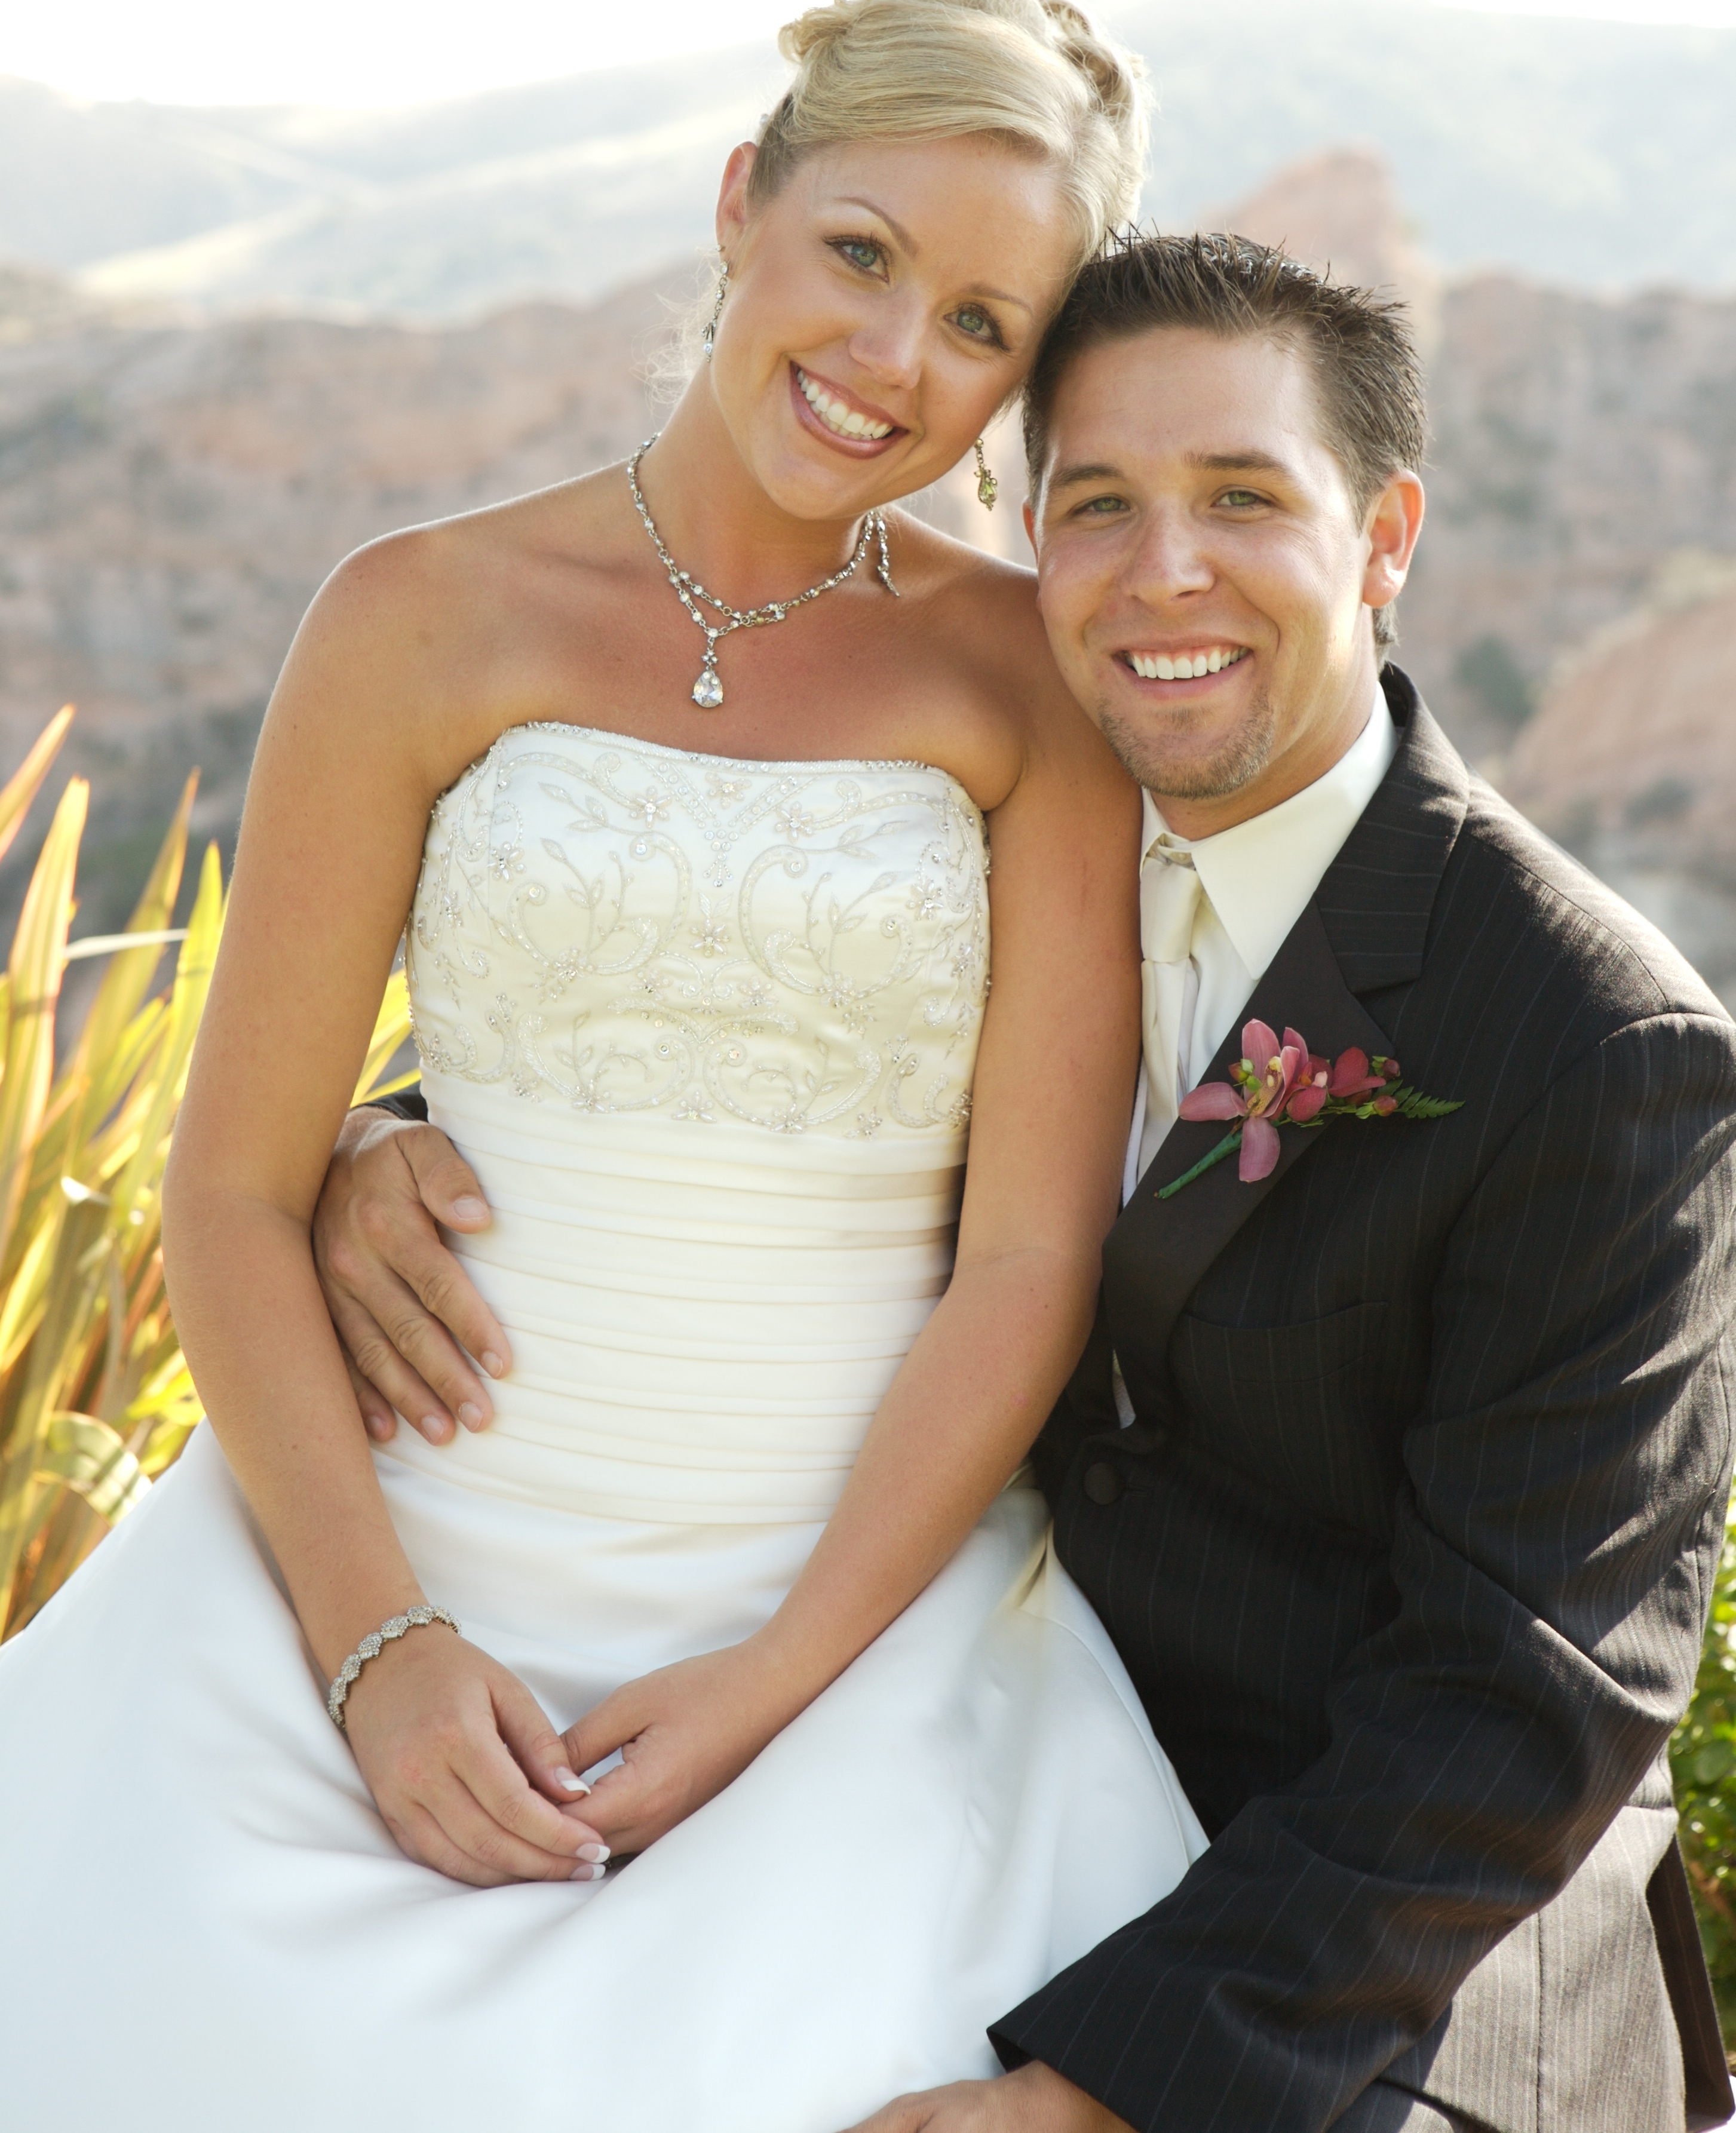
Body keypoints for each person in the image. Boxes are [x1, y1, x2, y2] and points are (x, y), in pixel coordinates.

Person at [0, 0, 1210, 2131]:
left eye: (979, 326)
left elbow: (1027, 1256)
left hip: (840, 1618)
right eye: (859, 253)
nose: (890, 360)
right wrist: (375, 1653)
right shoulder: (412, 614)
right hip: (370, 1578)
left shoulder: (1029, 687)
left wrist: (769, 1682)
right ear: (742, 200)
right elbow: (235, 1188)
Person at [337, 235, 1736, 2133]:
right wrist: (380, 1145)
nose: (1163, 571)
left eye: (1241, 497)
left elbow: (1517, 1691)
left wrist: (1103, 2090)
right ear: (1021, 531)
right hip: (945, 1780)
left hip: (1378, 1952)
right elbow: (734, 1063)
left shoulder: (1596, 1044)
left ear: (1383, 536)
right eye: (1097, 506)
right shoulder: (975, 847)